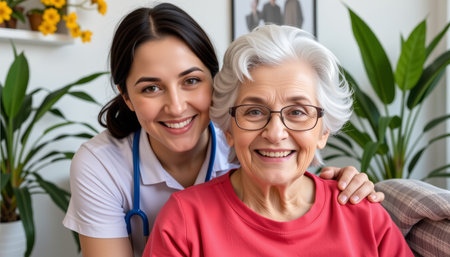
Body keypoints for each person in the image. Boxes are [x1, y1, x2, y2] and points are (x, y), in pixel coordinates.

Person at [62, 3, 384, 257]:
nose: (176, 106)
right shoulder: (100, 164)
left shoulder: (248, 137)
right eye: (150, 89)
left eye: (191, 81)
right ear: (126, 96)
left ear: (215, 82)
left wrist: (344, 181)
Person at [143, 25, 413, 256]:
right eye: (254, 112)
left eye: (297, 112)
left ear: (323, 132)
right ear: (228, 130)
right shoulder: (185, 220)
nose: (275, 133)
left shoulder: (364, 215)